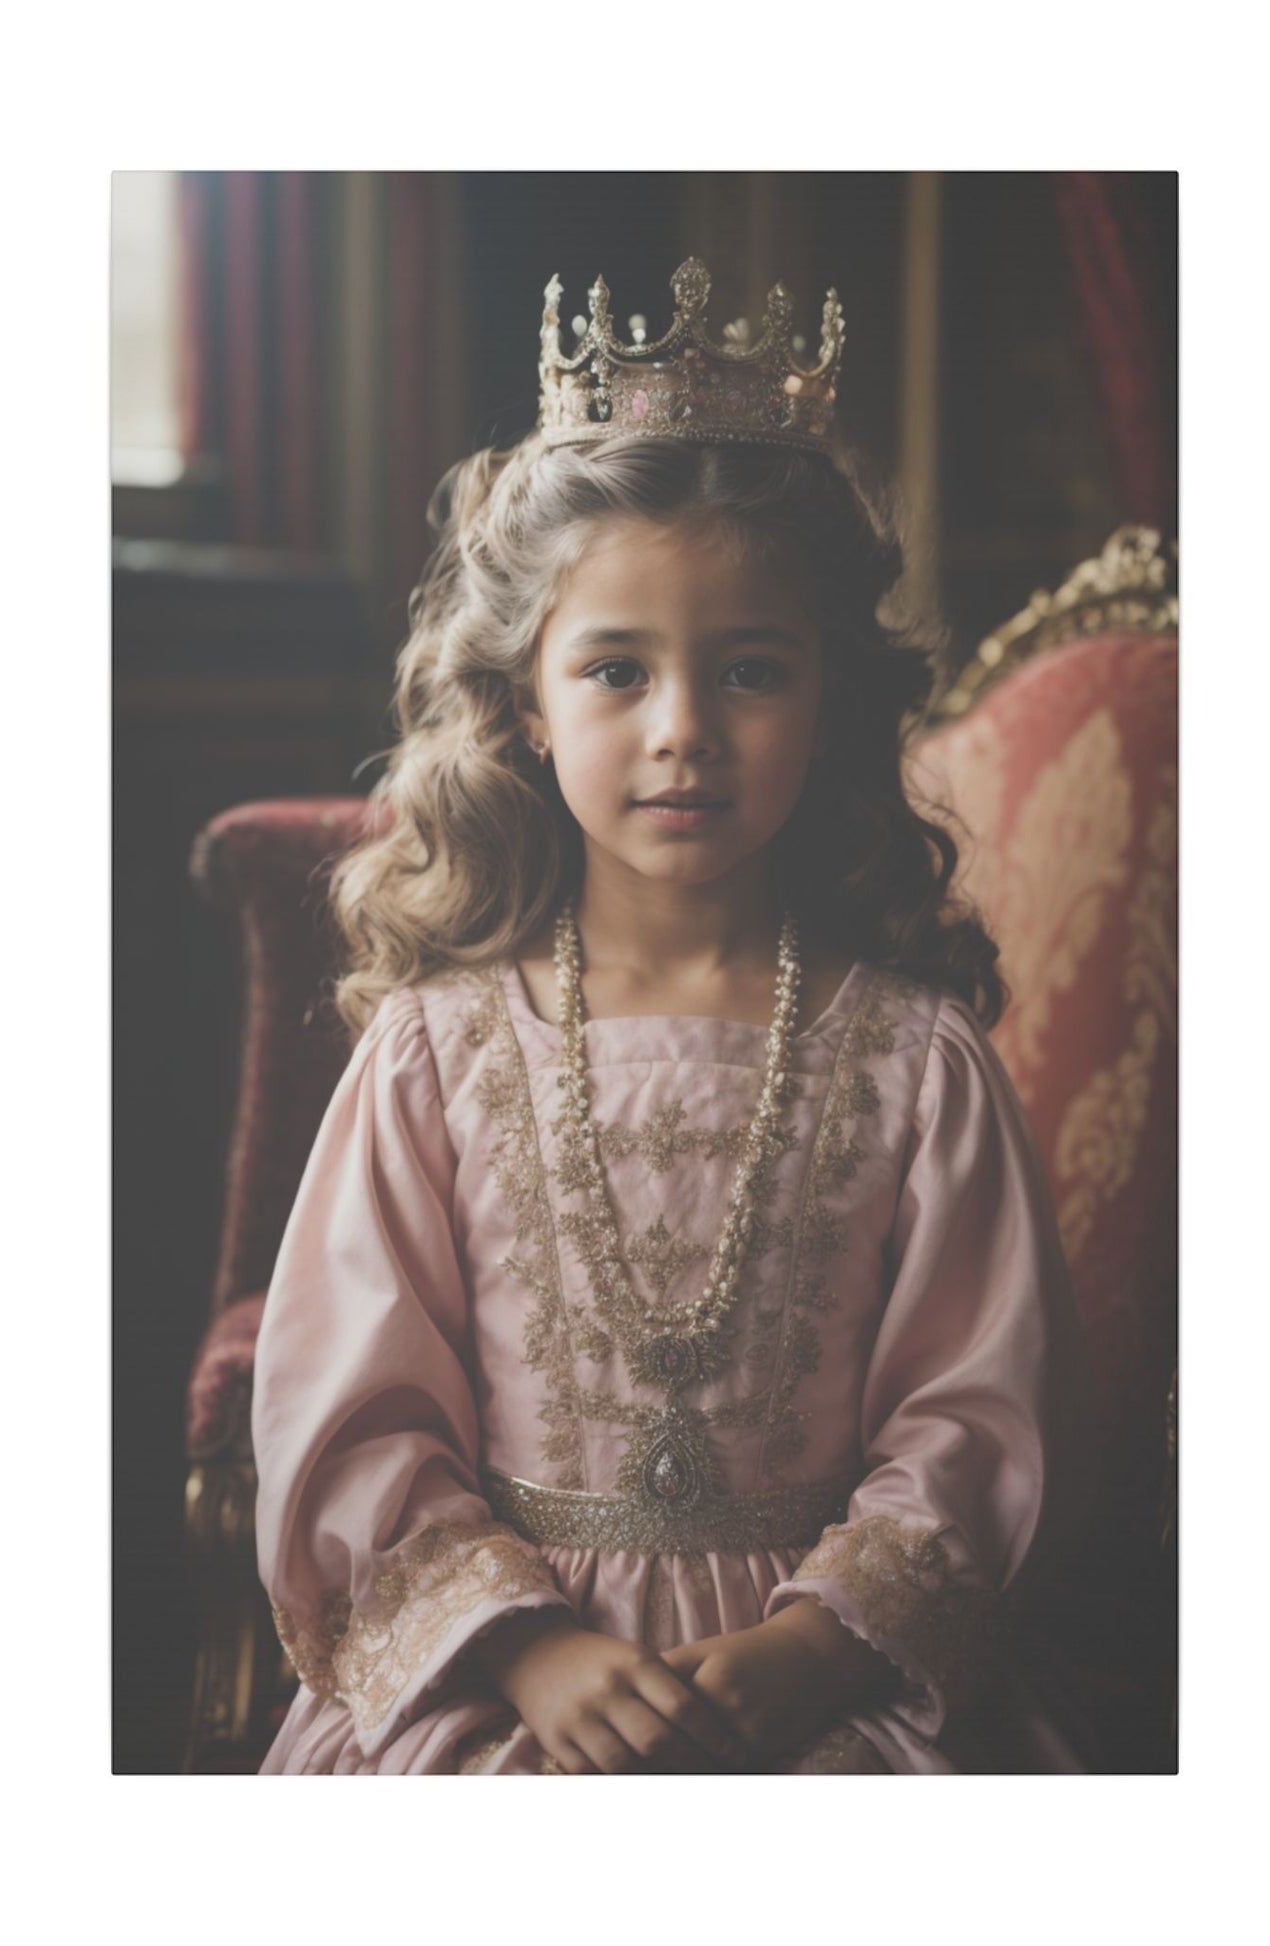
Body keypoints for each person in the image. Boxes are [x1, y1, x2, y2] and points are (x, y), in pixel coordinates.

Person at [252, 259, 1086, 1774]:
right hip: (506, 1688)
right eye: (616, 671)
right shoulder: (436, 1054)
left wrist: (813, 1649)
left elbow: (975, 1416)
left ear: (828, 697)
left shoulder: (916, 1065)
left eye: (750, 670)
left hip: (823, 1685)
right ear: (528, 702)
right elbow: (355, 1413)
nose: (684, 730)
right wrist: (528, 1648)